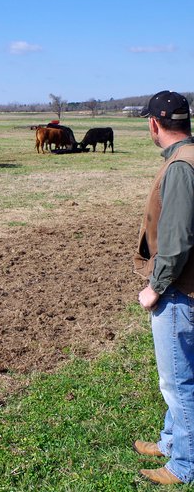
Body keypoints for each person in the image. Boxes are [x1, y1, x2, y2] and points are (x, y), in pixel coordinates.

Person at [133, 90, 194, 485]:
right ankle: (171, 440)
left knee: (177, 382)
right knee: (183, 373)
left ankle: (185, 465)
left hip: (180, 291)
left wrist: (156, 286)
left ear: (155, 123)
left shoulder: (180, 167)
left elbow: (177, 240)